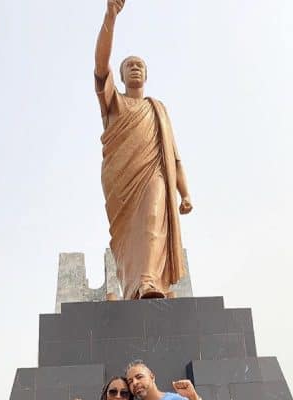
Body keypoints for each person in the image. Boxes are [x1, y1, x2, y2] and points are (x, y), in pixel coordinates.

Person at [94, 0, 193, 300]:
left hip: (154, 174)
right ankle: (133, 288)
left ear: (146, 75)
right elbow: (100, 66)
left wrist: (185, 193)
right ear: (121, 77)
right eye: (128, 66)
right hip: (121, 184)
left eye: (139, 65)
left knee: (153, 219)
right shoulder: (114, 103)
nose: (134, 68)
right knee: (128, 242)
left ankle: (150, 282)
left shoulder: (158, 109)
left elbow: (174, 157)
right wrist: (110, 17)